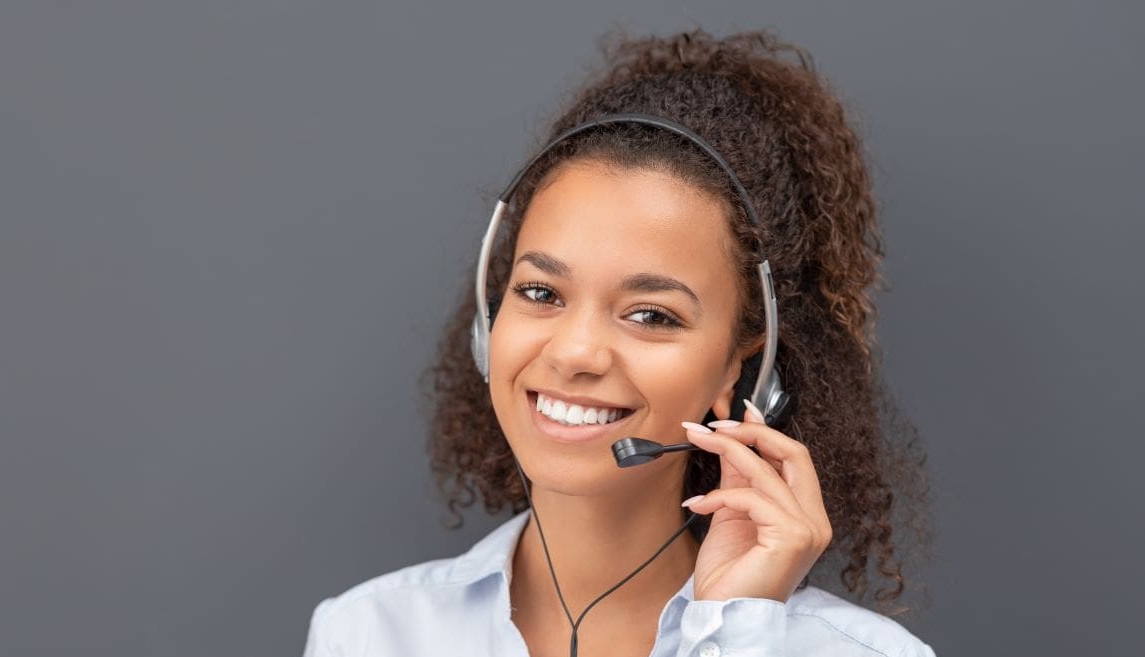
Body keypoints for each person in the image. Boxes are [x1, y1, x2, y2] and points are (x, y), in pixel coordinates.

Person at [301, 29, 936, 657]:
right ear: (485, 326)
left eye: (651, 315)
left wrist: (735, 632)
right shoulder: (366, 634)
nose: (576, 354)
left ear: (746, 368)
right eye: (542, 293)